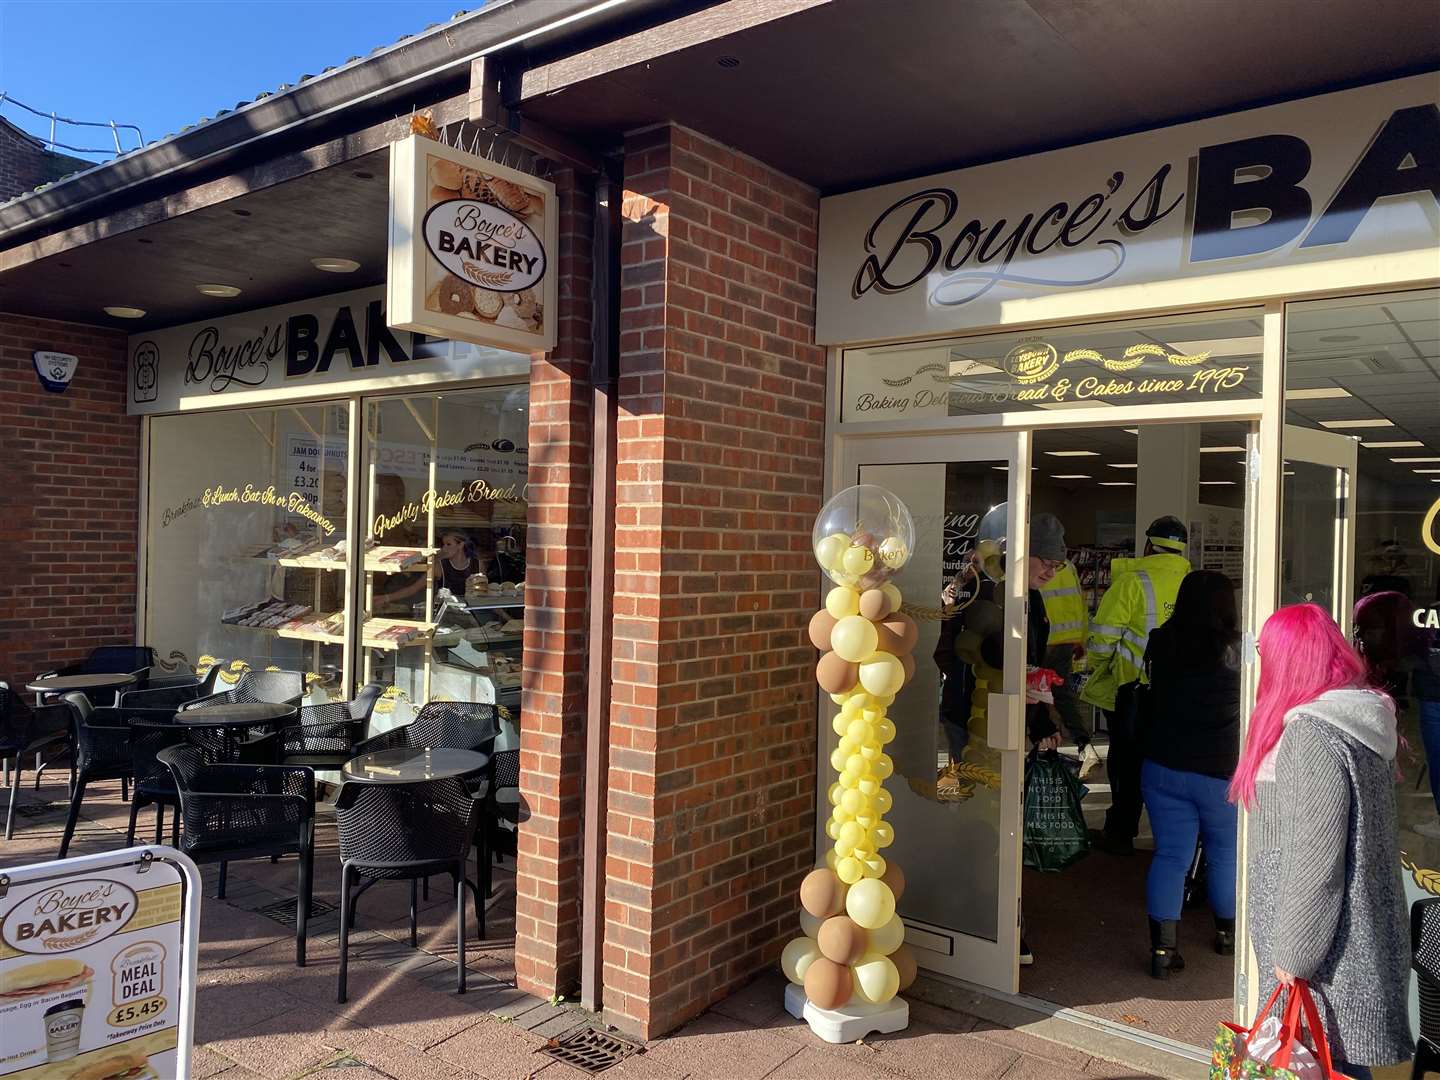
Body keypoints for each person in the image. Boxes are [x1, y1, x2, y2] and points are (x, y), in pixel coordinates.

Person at [1232, 603, 1413, 1080]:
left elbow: (1316, 858)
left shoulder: (1312, 733)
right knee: (1332, 1062)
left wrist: (1293, 954)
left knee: (1321, 1061)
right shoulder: (1355, 717)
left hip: (1326, 950)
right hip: (1349, 939)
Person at [944, 502, 1066, 966]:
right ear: (1017, 552)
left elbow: (1028, 669)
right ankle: (971, 909)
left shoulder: (1032, 601)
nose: (1052, 571)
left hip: (1009, 722)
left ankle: (1001, 921)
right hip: (965, 717)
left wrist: (1043, 722)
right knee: (966, 807)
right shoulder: (976, 587)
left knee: (1002, 821)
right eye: (1046, 561)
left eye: (1058, 564)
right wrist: (962, 581)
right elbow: (945, 633)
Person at [1138, 570, 1241, 978]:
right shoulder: (1237, 649)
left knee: (1171, 856)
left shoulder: (1162, 640)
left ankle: (1163, 952)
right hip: (1219, 771)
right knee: (1225, 855)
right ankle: (1226, 935)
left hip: (1162, 766)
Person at [1081, 515, 1192, 856]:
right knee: (1169, 762)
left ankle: (1120, 831)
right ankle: (1170, 838)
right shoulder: (1192, 581)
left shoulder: (1133, 582)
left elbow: (1103, 639)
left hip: (1134, 691)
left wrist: (1100, 667)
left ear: (1148, 544)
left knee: (1127, 763)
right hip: (1180, 693)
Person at [1040, 558, 1099, 778]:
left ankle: (1045, 749)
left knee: (1033, 695)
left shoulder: (1032, 565)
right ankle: (1084, 745)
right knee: (1062, 695)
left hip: (1041, 642)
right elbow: (1080, 604)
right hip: (1066, 641)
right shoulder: (1069, 567)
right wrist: (1080, 638)